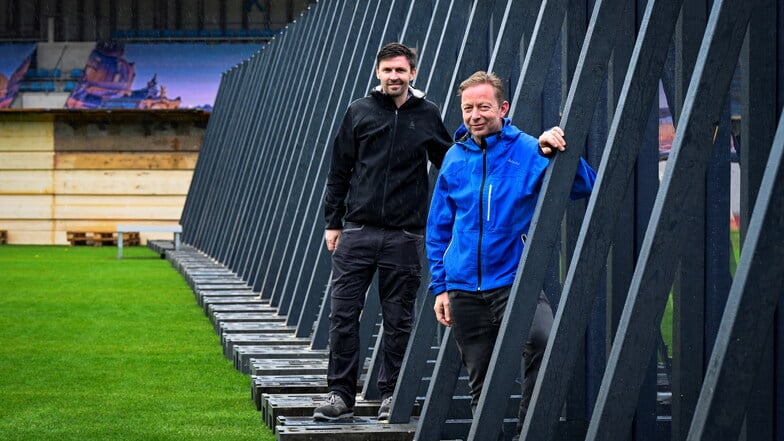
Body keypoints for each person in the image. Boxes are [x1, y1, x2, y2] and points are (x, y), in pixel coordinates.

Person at [426, 71, 596, 436]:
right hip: (462, 288)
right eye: (468, 108)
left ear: (502, 108)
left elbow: (584, 185)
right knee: (481, 382)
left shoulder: (529, 149)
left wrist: (560, 150)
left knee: (543, 341)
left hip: (513, 282)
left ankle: (526, 433)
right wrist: (439, 287)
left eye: (483, 107)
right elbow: (438, 229)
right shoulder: (454, 159)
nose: (475, 115)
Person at [314, 42, 453, 422]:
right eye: (388, 70)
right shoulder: (359, 111)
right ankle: (339, 396)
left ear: (413, 74)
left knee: (398, 320)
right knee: (343, 316)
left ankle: (393, 393)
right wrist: (333, 222)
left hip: (404, 236)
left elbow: (450, 165)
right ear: (378, 72)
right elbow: (339, 170)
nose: (394, 76)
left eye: (401, 70)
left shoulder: (427, 114)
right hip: (356, 231)